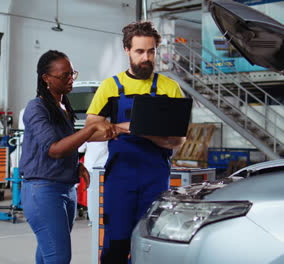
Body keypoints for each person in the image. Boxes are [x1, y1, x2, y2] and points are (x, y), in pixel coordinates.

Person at [85, 21, 186, 263]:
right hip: (120, 177)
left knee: (150, 244)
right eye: (140, 51)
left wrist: (147, 133)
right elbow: (91, 132)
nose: (146, 57)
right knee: (116, 243)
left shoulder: (169, 88)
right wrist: (126, 128)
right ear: (127, 51)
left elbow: (178, 140)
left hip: (155, 177)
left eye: (151, 51)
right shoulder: (111, 87)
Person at [19, 50, 120, 264]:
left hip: (65, 188)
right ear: (46, 78)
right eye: (64, 75)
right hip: (43, 191)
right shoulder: (36, 108)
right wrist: (90, 129)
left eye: (72, 73)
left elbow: (67, 141)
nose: (70, 79)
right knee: (59, 257)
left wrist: (75, 165)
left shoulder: (62, 106)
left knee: (48, 254)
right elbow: (54, 149)